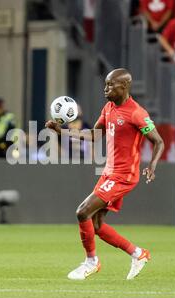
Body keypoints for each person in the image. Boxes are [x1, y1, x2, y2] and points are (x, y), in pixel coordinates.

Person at [45, 68, 164, 280]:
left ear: (125, 86)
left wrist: (152, 165)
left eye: (111, 85)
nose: (106, 88)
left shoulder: (137, 113)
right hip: (110, 172)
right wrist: (61, 131)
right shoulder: (109, 107)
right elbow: (93, 135)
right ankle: (138, 254)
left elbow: (158, 141)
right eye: (106, 84)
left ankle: (91, 262)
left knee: (82, 212)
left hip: (123, 176)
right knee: (97, 225)